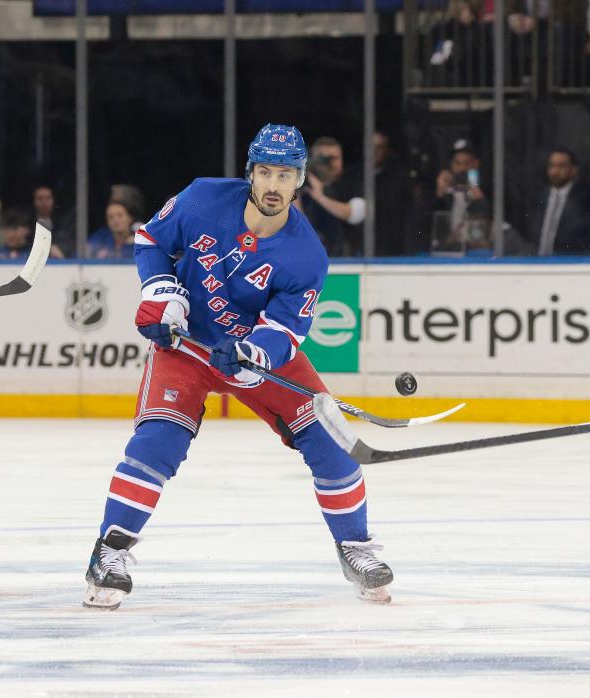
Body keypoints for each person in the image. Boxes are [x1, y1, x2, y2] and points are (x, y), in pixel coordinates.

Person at [82, 123, 393, 611]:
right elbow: (151, 241)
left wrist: (254, 353)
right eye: (265, 172)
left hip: (251, 355)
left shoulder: (306, 253)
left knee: (330, 438)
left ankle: (355, 546)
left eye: (285, 174)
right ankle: (110, 552)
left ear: (300, 180)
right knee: (158, 441)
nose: (273, 185)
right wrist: (162, 294)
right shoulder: (204, 198)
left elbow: (286, 329)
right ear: (250, 171)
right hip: (186, 346)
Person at [298, 136, 365, 256]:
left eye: (334, 158)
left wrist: (320, 197)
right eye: (323, 159)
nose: (329, 163)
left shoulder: (351, 182)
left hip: (346, 259)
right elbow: (296, 223)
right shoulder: (303, 185)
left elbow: (355, 214)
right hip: (308, 254)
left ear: (342, 159)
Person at [527, 148, 590, 255]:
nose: (555, 171)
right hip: (538, 264)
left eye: (561, 166)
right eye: (552, 166)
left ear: (574, 170)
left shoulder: (586, 199)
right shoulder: (539, 197)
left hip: (569, 264)